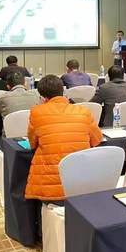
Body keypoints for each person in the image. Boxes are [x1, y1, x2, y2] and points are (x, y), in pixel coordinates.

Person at [25, 74, 102, 202]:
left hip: (50, 185)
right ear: (63, 91)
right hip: (81, 180)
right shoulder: (84, 111)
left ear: (43, 97)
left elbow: (32, 143)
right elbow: (97, 140)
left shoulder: (37, 111)